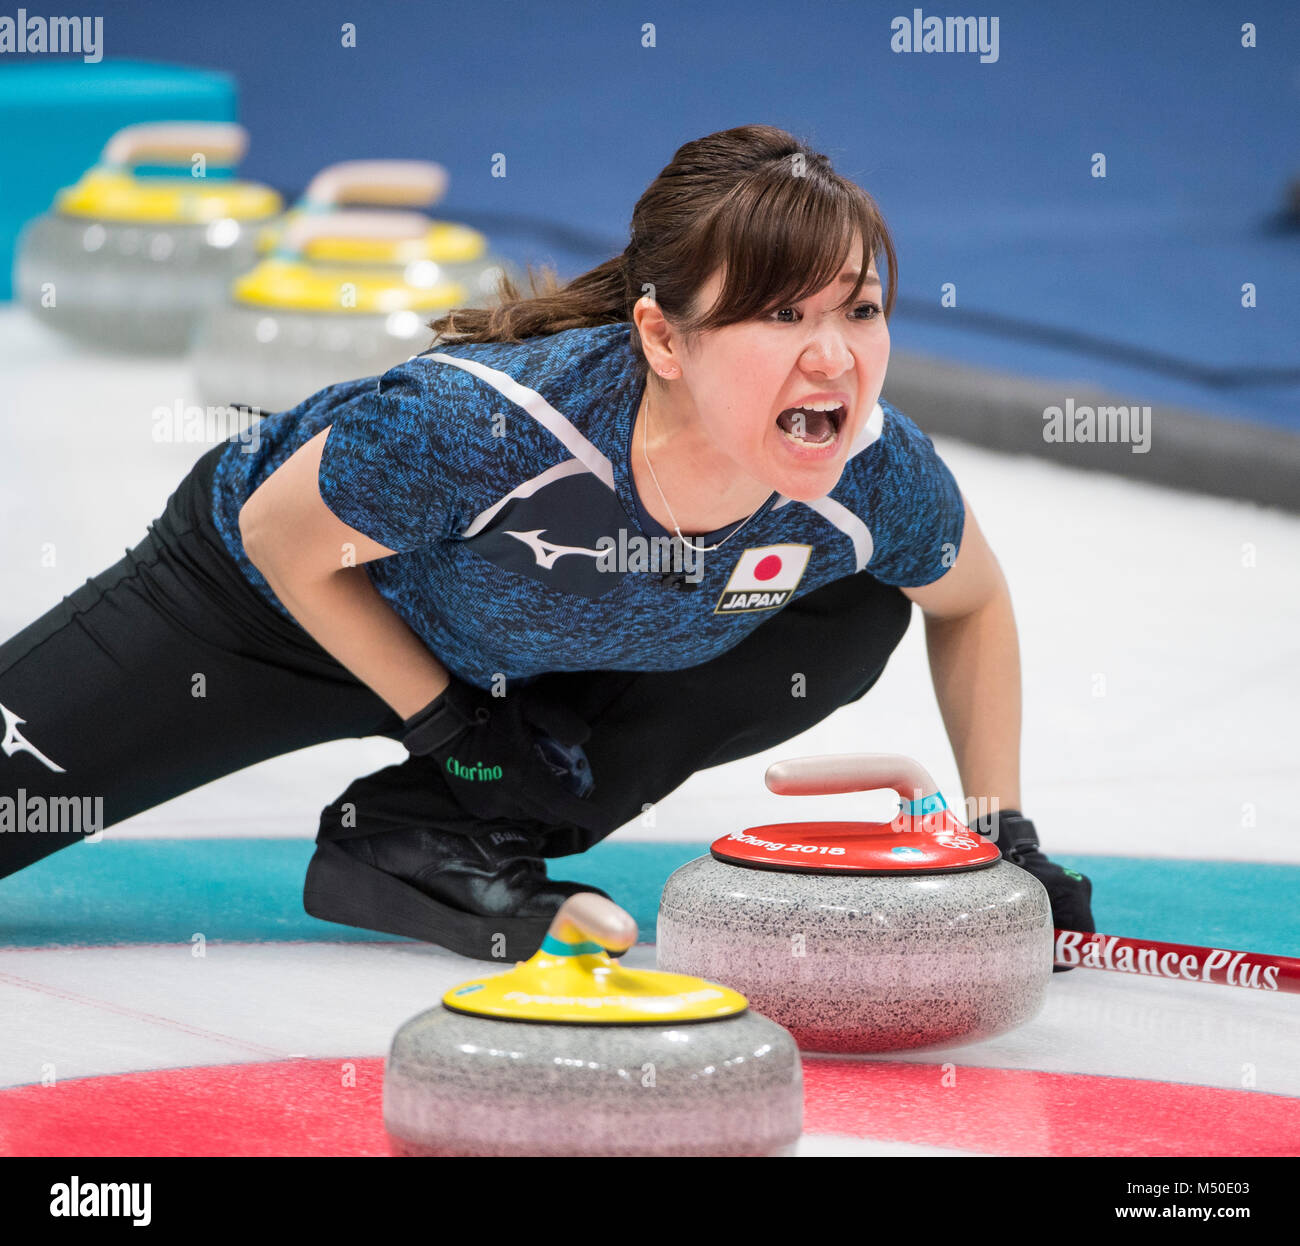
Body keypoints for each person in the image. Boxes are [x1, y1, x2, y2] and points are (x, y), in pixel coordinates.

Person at [0, 124, 1093, 962]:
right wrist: (452, 723)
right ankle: (470, 776)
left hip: (522, 648)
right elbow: (279, 537)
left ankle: (424, 836)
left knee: (858, 601)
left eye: (858, 310)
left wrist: (1003, 832)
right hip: (261, 606)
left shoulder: (870, 474)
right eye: (779, 315)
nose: (833, 359)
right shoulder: (482, 423)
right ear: (663, 337)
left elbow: (972, 603)